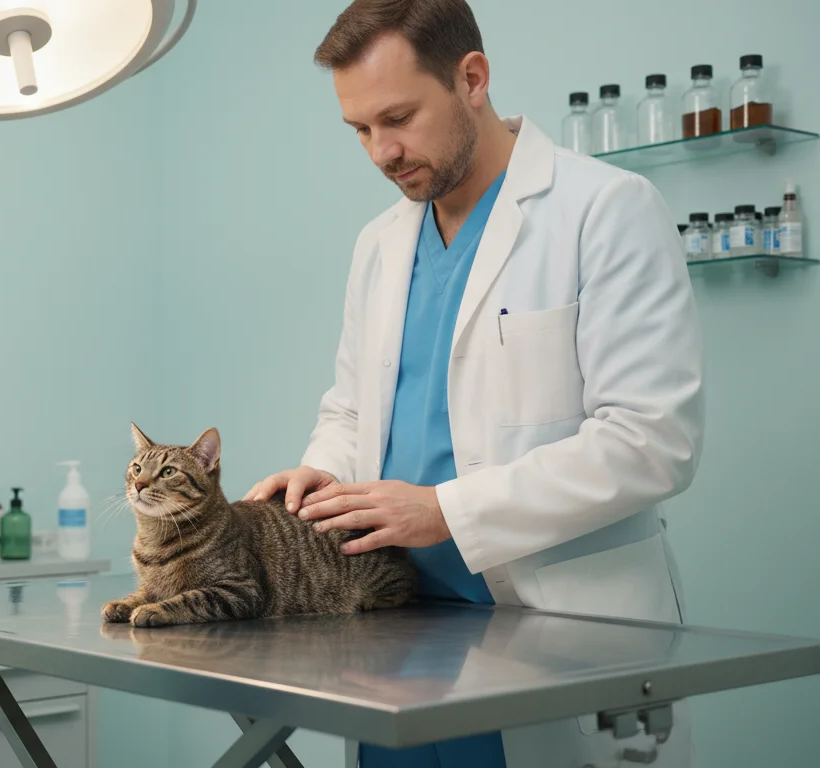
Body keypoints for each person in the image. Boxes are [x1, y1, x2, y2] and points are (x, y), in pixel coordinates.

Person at [243, 0, 705, 766]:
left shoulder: (606, 210)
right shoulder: (380, 243)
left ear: (472, 78)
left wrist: (444, 511)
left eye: (398, 117)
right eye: (359, 130)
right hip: (393, 637)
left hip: (558, 635)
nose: (381, 152)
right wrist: (324, 472)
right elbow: (354, 405)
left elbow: (652, 441)